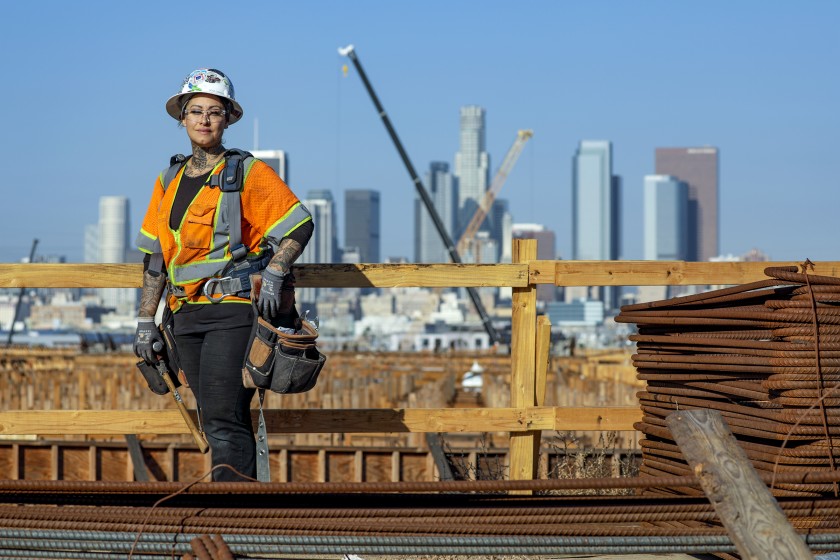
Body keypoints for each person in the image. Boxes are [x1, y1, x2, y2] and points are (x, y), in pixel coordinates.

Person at [133, 68, 313, 481]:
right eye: (195, 110)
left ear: (228, 119)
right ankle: (233, 507)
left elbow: (298, 225)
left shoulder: (246, 173)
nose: (204, 119)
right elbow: (156, 258)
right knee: (214, 416)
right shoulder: (169, 179)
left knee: (223, 415)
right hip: (184, 314)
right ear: (182, 117)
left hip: (231, 311)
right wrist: (147, 318)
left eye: (214, 111)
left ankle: (232, 517)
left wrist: (275, 271)